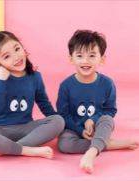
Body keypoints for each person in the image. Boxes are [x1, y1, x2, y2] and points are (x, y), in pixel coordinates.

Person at [57, 30, 138, 173]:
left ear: (102, 59)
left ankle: (92, 152)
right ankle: (109, 143)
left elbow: (110, 110)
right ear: (71, 59)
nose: (85, 61)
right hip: (74, 128)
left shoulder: (107, 83)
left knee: (107, 119)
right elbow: (63, 114)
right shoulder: (66, 86)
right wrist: (80, 130)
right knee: (64, 145)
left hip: (97, 127)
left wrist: (93, 120)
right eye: (79, 56)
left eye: (92, 55)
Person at [0, 31, 65, 159]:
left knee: (58, 120)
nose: (16, 57)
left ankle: (9, 148)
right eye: (7, 56)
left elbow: (44, 104)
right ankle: (26, 150)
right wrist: (1, 81)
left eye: (17, 49)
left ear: (22, 47)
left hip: (26, 128)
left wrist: (61, 126)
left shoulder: (35, 77)